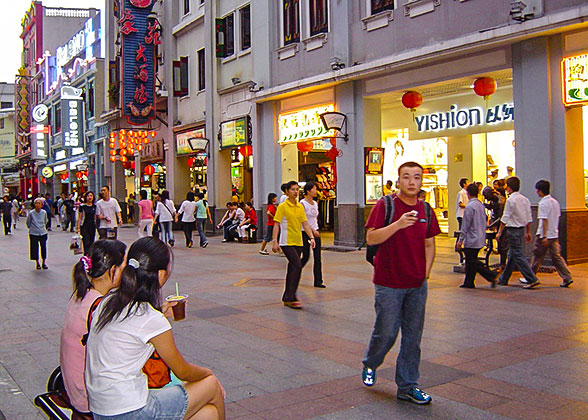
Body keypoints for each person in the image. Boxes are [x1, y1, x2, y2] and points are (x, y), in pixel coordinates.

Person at [85, 237, 226, 420]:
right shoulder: (150, 318)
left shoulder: (108, 302)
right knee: (211, 384)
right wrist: (208, 373)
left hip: (102, 409)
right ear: (160, 275)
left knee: (209, 414)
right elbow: (182, 371)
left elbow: (131, 327)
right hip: (131, 411)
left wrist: (159, 311)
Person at [362, 161, 440, 405]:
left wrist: (425, 273)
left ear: (421, 182)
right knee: (386, 332)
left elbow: (429, 243)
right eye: (406, 177)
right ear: (398, 180)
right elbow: (371, 237)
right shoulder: (385, 205)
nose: (411, 182)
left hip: (417, 284)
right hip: (388, 283)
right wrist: (398, 224)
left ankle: (408, 385)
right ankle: (371, 363)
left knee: (412, 337)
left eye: (416, 177)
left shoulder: (426, 210)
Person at [60, 240, 127, 414]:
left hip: (74, 389)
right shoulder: (99, 307)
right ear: (113, 270)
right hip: (90, 398)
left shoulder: (82, 295)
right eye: (124, 266)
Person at [272, 181, 316, 309]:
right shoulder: (282, 207)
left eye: (297, 189)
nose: (295, 192)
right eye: (292, 189)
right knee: (297, 266)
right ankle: (292, 296)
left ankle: (287, 297)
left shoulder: (300, 207)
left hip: (298, 241)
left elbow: (305, 223)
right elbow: (276, 224)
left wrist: (311, 237)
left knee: (293, 268)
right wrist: (275, 241)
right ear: (286, 192)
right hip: (286, 242)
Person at [524, 180, 573, 288]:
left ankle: (530, 277)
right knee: (556, 257)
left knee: (537, 256)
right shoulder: (555, 202)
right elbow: (557, 217)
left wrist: (544, 236)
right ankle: (567, 277)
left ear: (540, 191)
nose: (536, 192)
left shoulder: (543, 203)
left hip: (544, 235)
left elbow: (544, 220)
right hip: (554, 234)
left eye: (537, 190)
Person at [496, 177, 539, 288]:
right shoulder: (525, 199)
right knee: (512, 254)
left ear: (509, 188)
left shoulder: (511, 200)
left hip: (513, 230)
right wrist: (528, 231)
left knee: (518, 255)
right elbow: (528, 217)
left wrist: (500, 232)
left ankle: (531, 278)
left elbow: (505, 217)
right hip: (521, 229)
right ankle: (504, 278)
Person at [456, 183, 499, 288]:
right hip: (480, 236)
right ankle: (469, 282)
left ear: (468, 193)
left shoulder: (470, 206)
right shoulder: (480, 205)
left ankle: (490, 275)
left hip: (471, 238)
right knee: (471, 261)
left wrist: (460, 239)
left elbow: (465, 225)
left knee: (472, 261)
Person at [300, 181, 326, 288]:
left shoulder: (315, 203)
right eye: (314, 189)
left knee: (318, 257)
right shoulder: (302, 203)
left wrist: (316, 229)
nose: (316, 191)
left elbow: (315, 218)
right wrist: (312, 231)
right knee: (305, 256)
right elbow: (303, 220)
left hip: (315, 232)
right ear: (308, 191)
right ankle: (295, 272)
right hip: (305, 232)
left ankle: (318, 281)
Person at [26, 197, 49, 270]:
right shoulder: (31, 213)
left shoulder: (44, 212)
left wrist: (43, 227)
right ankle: (37, 262)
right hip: (33, 232)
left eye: (39, 203)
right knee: (34, 248)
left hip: (42, 232)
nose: (37, 205)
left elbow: (45, 221)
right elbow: (28, 222)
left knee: (43, 247)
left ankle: (44, 262)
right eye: (36, 203)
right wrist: (32, 228)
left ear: (42, 205)